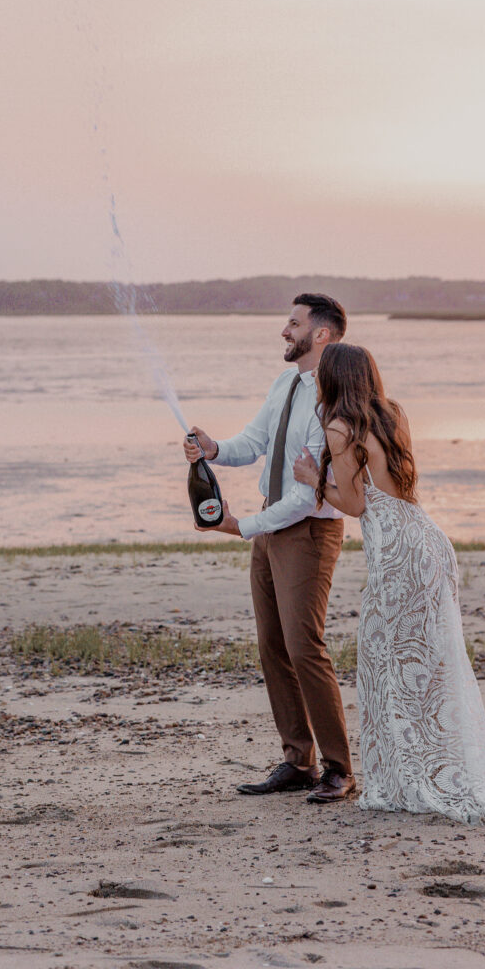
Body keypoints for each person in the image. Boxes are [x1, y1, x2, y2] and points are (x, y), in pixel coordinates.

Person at [293, 343, 485, 824]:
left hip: (398, 554)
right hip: (429, 541)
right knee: (433, 665)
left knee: (387, 663)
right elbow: (394, 486)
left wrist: (312, 477)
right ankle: (436, 770)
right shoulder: (392, 414)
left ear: (332, 380)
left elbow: (358, 504)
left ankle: (407, 780)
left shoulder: (339, 428)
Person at [183, 294, 355, 804]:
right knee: (273, 646)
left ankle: (339, 770)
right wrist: (213, 449)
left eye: (294, 323)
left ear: (322, 334)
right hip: (270, 525)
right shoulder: (286, 382)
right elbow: (255, 442)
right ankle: (297, 761)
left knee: (306, 648)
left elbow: (306, 497)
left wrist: (243, 526)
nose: (285, 330)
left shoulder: (332, 397)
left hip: (307, 532)